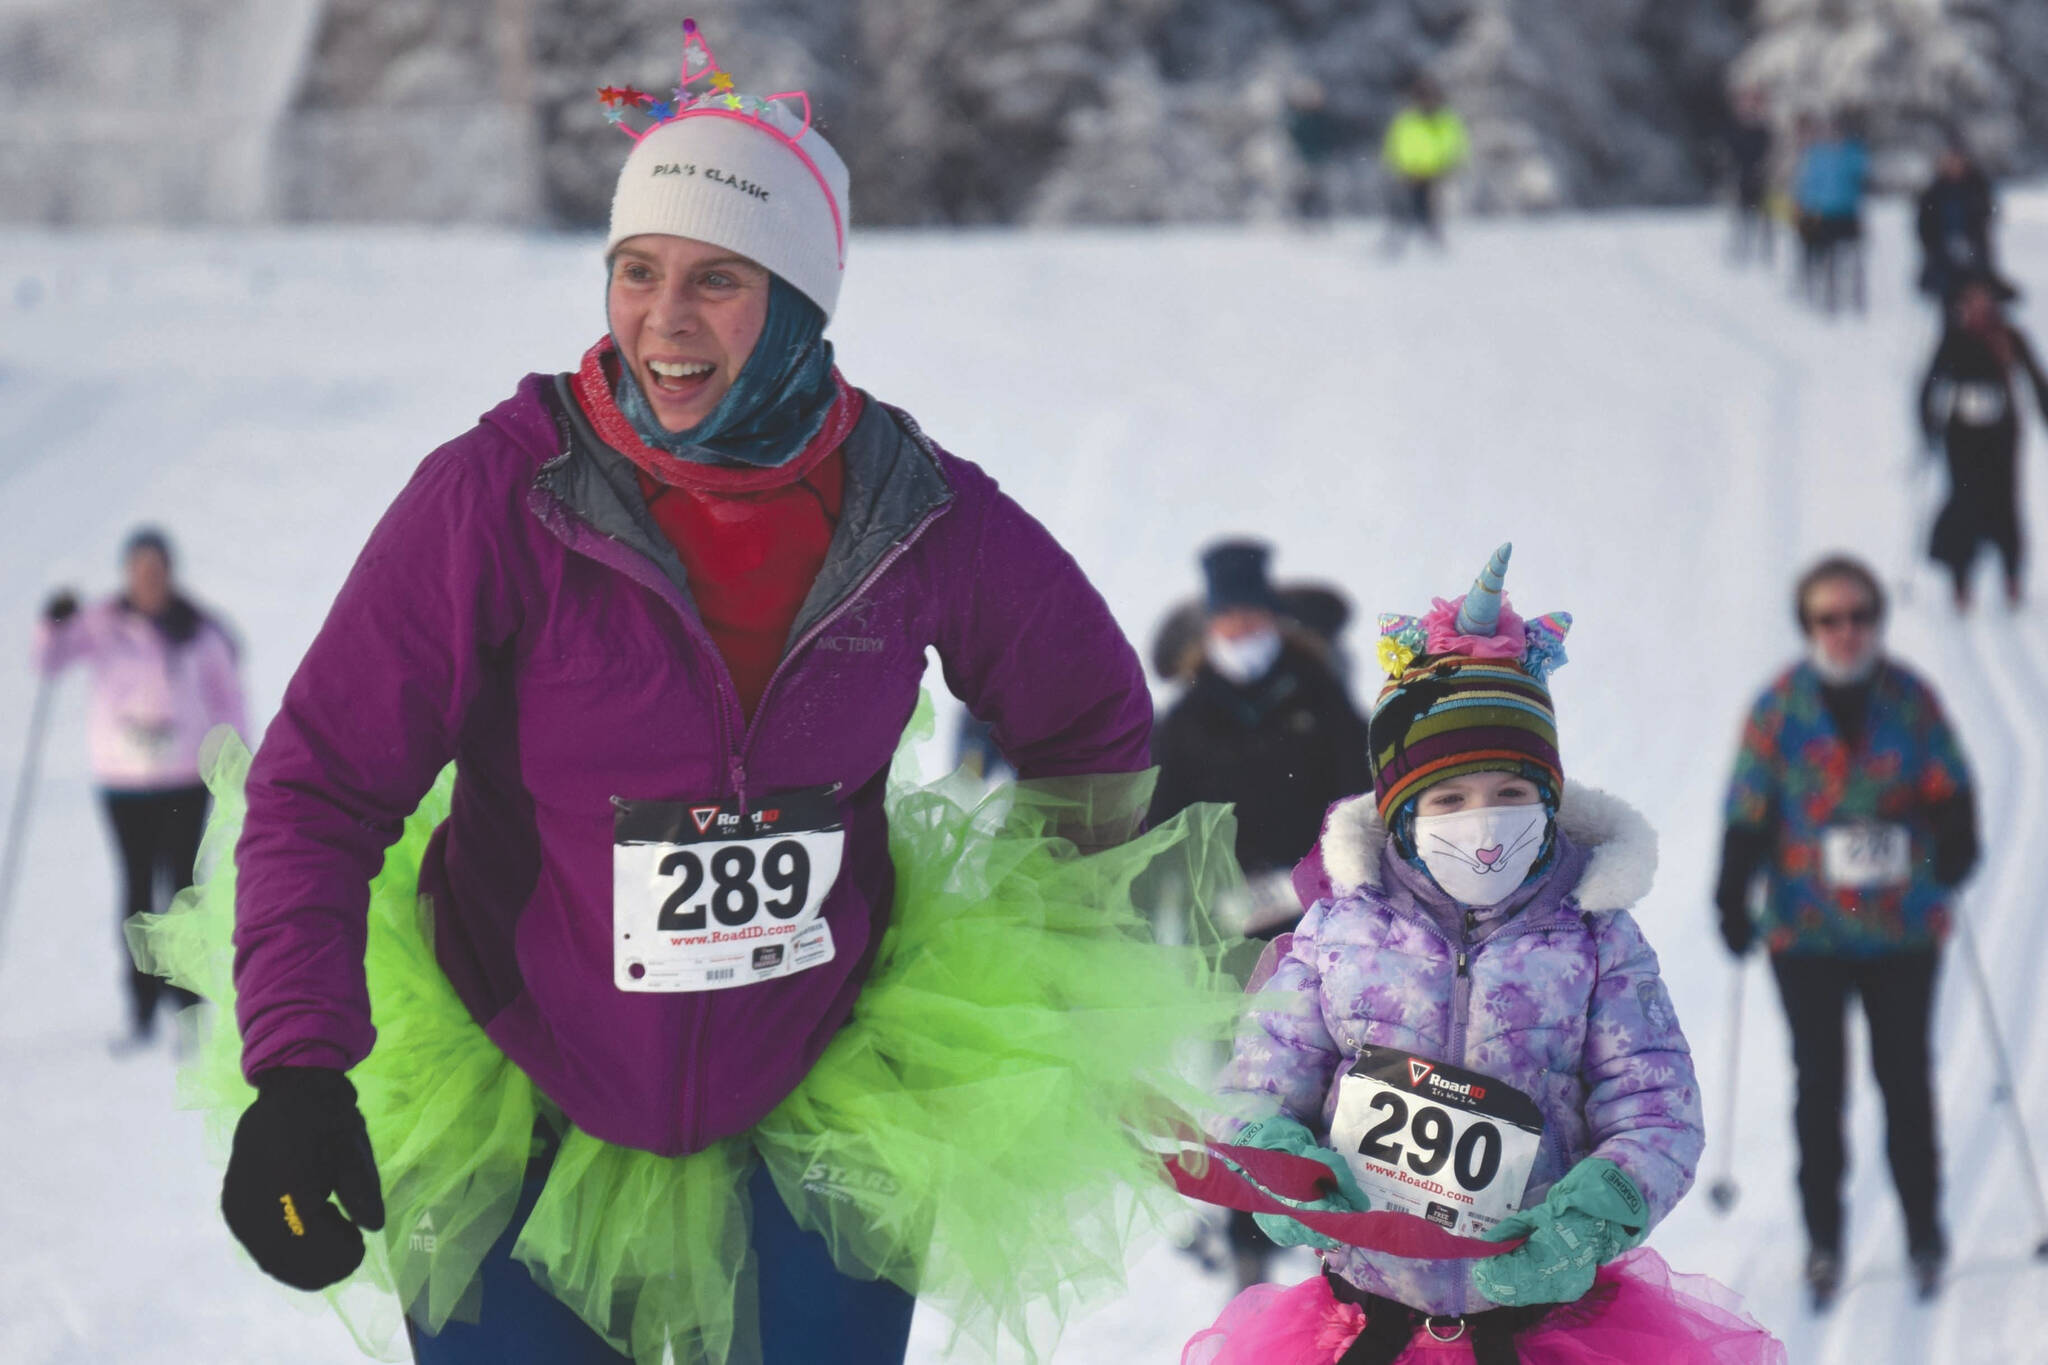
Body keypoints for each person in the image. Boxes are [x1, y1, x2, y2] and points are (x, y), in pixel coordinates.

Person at [128, 21, 1242, 1365]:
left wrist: (1057, 950)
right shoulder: (498, 494)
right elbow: (322, 783)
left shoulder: (914, 507)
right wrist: (299, 1069)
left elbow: (1090, 719)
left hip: (818, 1081)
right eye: (636, 270)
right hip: (518, 1066)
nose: (664, 319)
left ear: (800, 302)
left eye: (719, 279)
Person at [1186, 545, 1782, 1364]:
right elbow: (1256, 1086)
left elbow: (1657, 1110)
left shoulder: (1597, 938)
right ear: (1401, 812)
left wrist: (1593, 1209)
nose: (1483, 820)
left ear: (1548, 797)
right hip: (1365, 1328)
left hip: (1538, 1330)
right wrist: (1279, 1163)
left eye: (1510, 793)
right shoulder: (1338, 931)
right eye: (1451, 798)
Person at [1714, 556, 1977, 1308]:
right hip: (1807, 932)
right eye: (1831, 617)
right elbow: (1747, 808)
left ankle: (1924, 1228)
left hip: (1902, 929)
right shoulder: (1779, 709)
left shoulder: (1912, 700)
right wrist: (1733, 888)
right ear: (1809, 626)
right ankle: (1824, 1239)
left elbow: (1949, 785)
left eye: (1861, 614)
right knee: (1818, 1085)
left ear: (1877, 620)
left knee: (1905, 1080)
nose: (1848, 630)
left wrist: (1957, 834)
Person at [1149, 540, 1369, 1289]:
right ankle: (1248, 1243)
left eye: (1251, 613)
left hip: (1322, 928)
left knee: (1333, 1080)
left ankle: (1338, 1241)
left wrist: (1325, 877)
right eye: (1227, 618)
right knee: (1247, 1090)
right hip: (1227, 941)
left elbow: (1361, 799)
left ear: (1271, 617)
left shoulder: (1320, 697)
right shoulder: (1185, 721)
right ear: (1210, 626)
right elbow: (1159, 831)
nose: (1241, 631)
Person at [35, 527, 244, 1053]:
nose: (149, 579)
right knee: (134, 890)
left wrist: (234, 763)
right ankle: (141, 1007)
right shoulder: (103, 623)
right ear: (128, 572)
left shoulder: (198, 629)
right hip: (123, 782)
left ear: (169, 573)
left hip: (183, 779)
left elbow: (227, 698)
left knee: (180, 890)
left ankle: (188, 1007)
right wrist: (53, 620)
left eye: (157, 569)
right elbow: (50, 660)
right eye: (140, 569)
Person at [1919, 275, 2048, 609]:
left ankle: (2012, 579)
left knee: (2005, 503)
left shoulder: (2009, 337)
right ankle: (1961, 583)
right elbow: (1930, 383)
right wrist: (1927, 425)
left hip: (2002, 432)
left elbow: (2036, 380)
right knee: (1963, 502)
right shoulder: (1954, 338)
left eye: (1983, 300)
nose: (1977, 307)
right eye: (1970, 301)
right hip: (1962, 432)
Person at [1915, 142, 2013, 306]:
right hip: (1943, 259)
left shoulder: (1977, 186)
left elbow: (1988, 215)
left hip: (1974, 255)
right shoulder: (1934, 192)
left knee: (1979, 296)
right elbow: (1924, 226)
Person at [1380, 75, 1467, 254]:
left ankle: (1432, 241)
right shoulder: (1407, 120)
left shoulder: (1445, 120)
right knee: (1405, 208)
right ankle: (1398, 242)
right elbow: (1394, 144)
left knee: (1430, 209)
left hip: (1436, 172)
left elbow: (1457, 144)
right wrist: (1397, 166)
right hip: (1409, 172)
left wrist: (1450, 164)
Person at [1792, 115, 1869, 315]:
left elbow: (1862, 177)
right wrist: (1807, 206)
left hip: (1847, 213)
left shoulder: (1852, 153)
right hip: (1822, 214)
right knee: (1818, 247)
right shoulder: (1816, 155)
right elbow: (1808, 184)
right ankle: (1823, 289)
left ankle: (1853, 294)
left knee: (1851, 254)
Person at [1724, 87, 1775, 265]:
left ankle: (1765, 253)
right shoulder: (1736, 130)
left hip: (1762, 179)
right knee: (1742, 215)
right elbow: (1731, 155)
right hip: (1742, 179)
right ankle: (1741, 249)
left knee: (1765, 217)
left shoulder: (1765, 130)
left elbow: (1771, 153)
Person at [1286, 77, 1341, 224]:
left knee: (1319, 192)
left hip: (1319, 159)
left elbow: (1328, 138)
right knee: (1304, 192)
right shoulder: (1300, 118)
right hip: (1304, 159)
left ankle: (1320, 218)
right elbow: (1295, 137)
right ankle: (1303, 218)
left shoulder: (1321, 119)